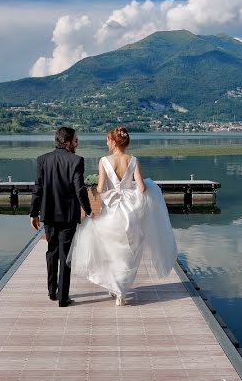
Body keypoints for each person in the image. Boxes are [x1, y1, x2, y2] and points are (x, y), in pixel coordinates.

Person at [68, 126, 177, 306]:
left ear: (114, 142)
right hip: (130, 212)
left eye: (108, 140)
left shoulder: (104, 161)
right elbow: (142, 188)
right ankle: (121, 292)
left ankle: (116, 288)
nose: (106, 142)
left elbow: (102, 188)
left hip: (111, 212)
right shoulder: (133, 160)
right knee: (129, 252)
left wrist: (94, 190)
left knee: (111, 251)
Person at [30, 126, 93, 307]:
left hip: (48, 214)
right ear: (66, 142)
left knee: (52, 251)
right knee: (66, 255)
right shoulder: (76, 160)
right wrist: (88, 210)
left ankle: (52, 291)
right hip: (67, 215)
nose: (77, 143)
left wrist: (34, 213)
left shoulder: (43, 160)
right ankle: (63, 297)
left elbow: (38, 188)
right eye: (75, 140)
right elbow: (79, 189)